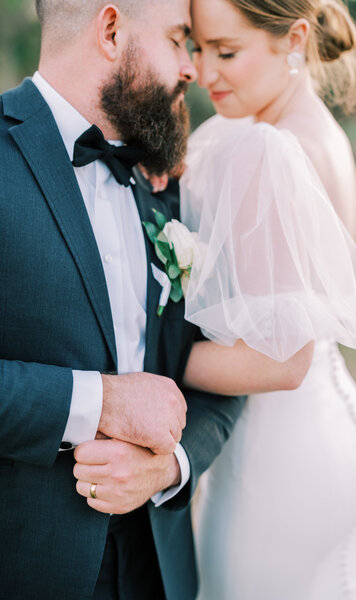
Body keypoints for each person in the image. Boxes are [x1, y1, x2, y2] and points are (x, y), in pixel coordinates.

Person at [0, 1, 255, 599]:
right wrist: (97, 402)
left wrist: (170, 465)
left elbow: (224, 364)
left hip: (161, 569)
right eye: (176, 40)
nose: (191, 67)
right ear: (112, 30)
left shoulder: (166, 179)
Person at [175, 0, 356, 598]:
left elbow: (277, 359)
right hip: (331, 420)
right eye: (198, 46)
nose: (204, 70)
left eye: (227, 51)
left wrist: (138, 355)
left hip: (279, 462)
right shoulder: (314, 130)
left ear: (292, 39)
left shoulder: (268, 151)